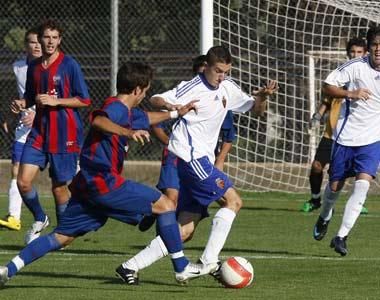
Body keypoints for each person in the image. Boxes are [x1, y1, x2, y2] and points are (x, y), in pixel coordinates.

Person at [0, 61, 203, 289]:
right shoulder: (116, 108)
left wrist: (176, 112)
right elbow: (98, 120)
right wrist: (128, 132)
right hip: (103, 181)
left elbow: (145, 118)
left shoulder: (126, 111)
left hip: (87, 186)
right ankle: (181, 267)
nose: (143, 95)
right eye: (145, 91)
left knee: (61, 237)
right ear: (137, 89)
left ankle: (9, 269)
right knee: (166, 205)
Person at [115, 46, 277, 284]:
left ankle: (130, 266)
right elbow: (156, 98)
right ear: (208, 67)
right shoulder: (192, 86)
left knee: (185, 230)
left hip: (199, 161)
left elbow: (256, 110)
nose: (222, 76)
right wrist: (172, 107)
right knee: (234, 201)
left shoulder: (228, 88)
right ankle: (209, 261)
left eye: (226, 71)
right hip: (190, 159)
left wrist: (262, 97)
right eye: (218, 71)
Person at [10, 19, 91, 244]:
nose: (50, 42)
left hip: (65, 134)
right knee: (23, 181)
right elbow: (31, 97)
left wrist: (57, 101)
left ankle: (63, 232)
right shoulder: (34, 67)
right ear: (41, 39)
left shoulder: (70, 65)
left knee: (58, 187)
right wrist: (21, 103)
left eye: (55, 38)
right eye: (47, 37)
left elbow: (84, 100)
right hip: (39, 133)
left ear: (60, 40)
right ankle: (40, 217)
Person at [137, 54, 237, 233]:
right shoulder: (186, 94)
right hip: (176, 155)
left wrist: (220, 160)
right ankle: (155, 212)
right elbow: (157, 122)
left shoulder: (222, 99)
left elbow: (229, 136)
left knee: (188, 222)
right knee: (172, 199)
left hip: (200, 162)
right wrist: (171, 143)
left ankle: (164, 230)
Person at [313, 27, 380, 256]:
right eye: (375, 45)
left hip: (372, 139)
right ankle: (324, 216)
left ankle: (341, 236)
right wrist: (351, 94)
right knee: (334, 187)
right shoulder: (355, 67)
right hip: (346, 137)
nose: (379, 50)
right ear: (369, 47)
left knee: (363, 184)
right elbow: (327, 86)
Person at [302, 37, 368, 214]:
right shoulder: (341, 74)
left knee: (354, 172)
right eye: (353, 52)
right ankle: (315, 199)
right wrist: (317, 115)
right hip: (331, 133)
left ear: (365, 54)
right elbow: (328, 98)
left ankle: (356, 202)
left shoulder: (367, 76)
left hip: (355, 133)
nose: (355, 55)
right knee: (317, 166)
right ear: (348, 53)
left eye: (359, 52)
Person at [0, 27, 42, 231]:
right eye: (31, 42)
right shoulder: (18, 67)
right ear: (25, 45)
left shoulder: (51, 67)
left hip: (49, 123)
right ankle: (14, 217)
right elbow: (22, 96)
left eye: (38, 42)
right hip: (24, 125)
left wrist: (39, 115)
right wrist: (13, 113)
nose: (36, 46)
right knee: (16, 167)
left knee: (63, 177)